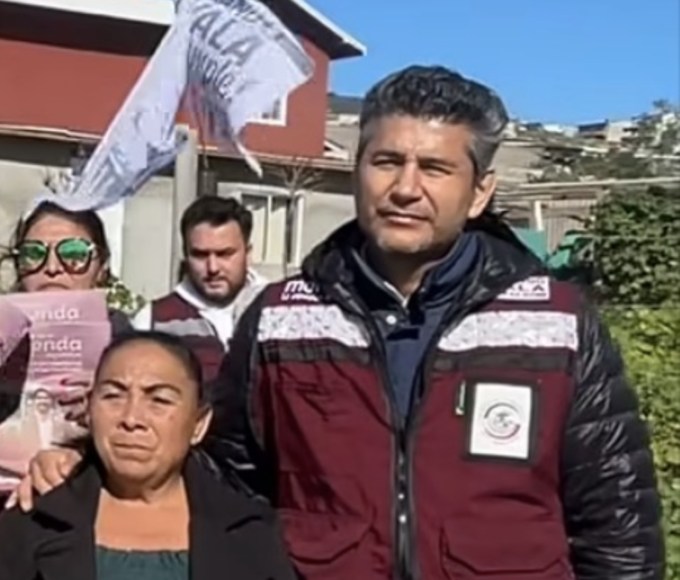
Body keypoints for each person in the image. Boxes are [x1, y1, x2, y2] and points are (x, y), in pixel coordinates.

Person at [10, 66, 665, 579]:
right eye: (387, 162)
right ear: (358, 170)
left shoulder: (554, 320)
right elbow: (216, 481)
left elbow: (618, 523)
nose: (405, 187)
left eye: (436, 168)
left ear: (480, 192)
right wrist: (83, 468)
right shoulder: (283, 321)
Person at [0, 330, 295, 580]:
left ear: (198, 424)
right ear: (88, 410)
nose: (132, 419)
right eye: (113, 396)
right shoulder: (35, 521)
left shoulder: (249, 531)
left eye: (159, 400)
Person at [132, 196, 266, 381]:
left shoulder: (277, 310)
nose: (213, 268)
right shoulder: (152, 321)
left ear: (248, 253)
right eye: (200, 255)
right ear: (186, 256)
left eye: (224, 254)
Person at [8, 199, 132, 335]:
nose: (52, 267)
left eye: (74, 254)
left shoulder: (127, 344)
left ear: (101, 268)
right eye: (34, 253)